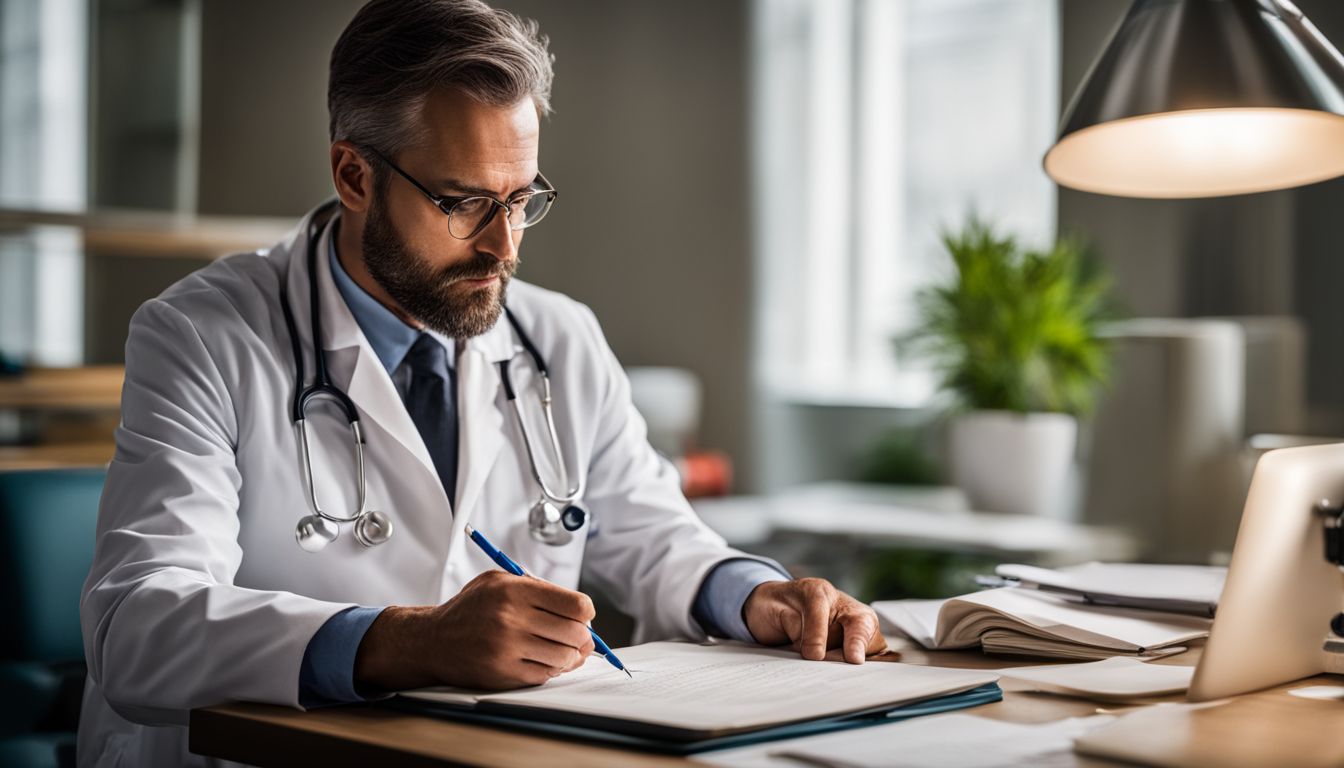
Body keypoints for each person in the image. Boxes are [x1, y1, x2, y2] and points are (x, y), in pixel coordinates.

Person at [77, 1, 885, 764]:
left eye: (522, 199)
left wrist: (753, 598)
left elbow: (655, 537)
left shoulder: (556, 335)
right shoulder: (201, 334)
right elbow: (137, 626)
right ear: (354, 177)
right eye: (464, 203)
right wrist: (404, 641)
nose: (505, 247)